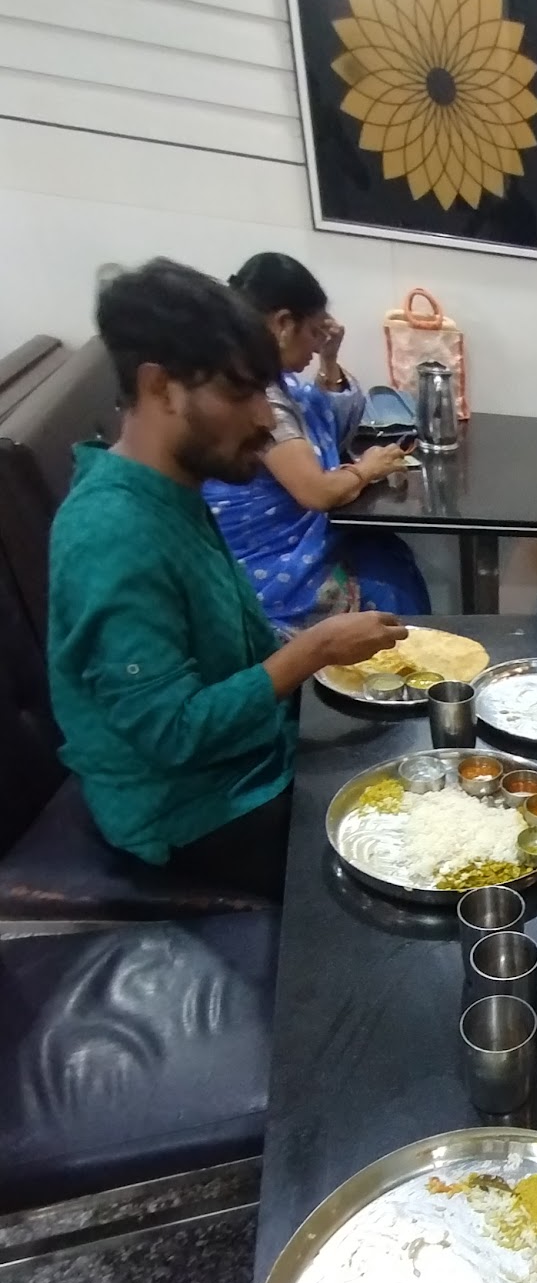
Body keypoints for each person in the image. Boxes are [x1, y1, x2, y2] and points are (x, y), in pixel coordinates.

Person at [48, 257, 408, 901]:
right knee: (411, 849)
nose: (266, 419)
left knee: (420, 754)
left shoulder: (172, 491)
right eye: (242, 394)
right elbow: (172, 734)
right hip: (191, 814)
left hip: (252, 755)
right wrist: (314, 650)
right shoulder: (112, 532)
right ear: (161, 388)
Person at [204, 251, 430, 627]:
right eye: (313, 332)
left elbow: (325, 423)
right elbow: (316, 492)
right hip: (268, 572)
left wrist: (329, 359)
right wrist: (366, 470)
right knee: (389, 585)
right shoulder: (253, 392)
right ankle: (401, 655)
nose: (315, 344)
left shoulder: (266, 380)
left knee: (387, 553)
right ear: (283, 323)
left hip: (281, 550)